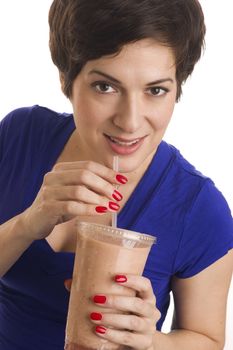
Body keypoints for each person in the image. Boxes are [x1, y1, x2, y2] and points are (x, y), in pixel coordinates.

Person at [0, 0, 232, 349]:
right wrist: (27, 223)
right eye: (105, 87)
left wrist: (152, 341)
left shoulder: (198, 208)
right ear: (66, 78)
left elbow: (208, 340)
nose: (130, 121)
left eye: (156, 90)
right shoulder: (21, 135)